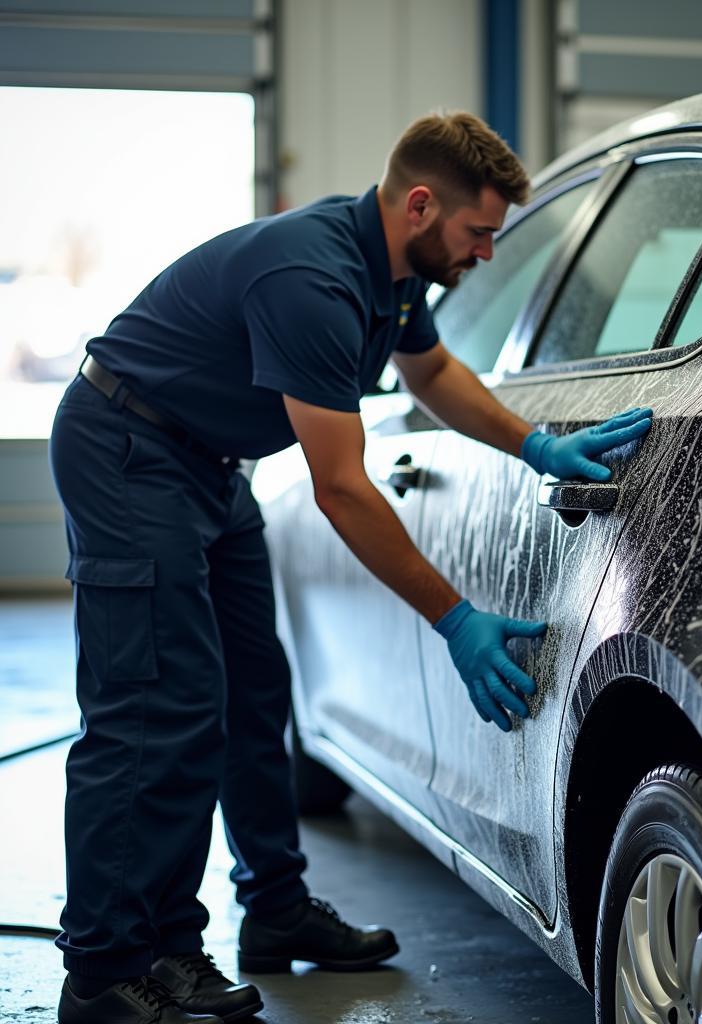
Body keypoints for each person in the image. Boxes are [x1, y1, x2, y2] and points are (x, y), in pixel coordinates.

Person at [49, 111, 653, 1023]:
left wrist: (536, 446)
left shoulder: (393, 269)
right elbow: (340, 487)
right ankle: (107, 970)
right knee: (154, 709)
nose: (487, 252)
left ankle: (270, 913)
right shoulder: (314, 281)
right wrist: (455, 617)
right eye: (478, 232)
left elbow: (432, 370)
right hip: (129, 447)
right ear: (421, 204)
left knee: (255, 695)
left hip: (205, 465)